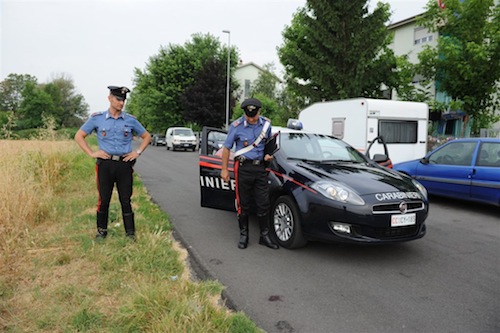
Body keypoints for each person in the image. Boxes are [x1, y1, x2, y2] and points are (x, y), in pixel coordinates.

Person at [74, 86, 151, 240]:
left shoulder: (130, 120)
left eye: (123, 100)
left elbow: (147, 136)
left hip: (124, 164)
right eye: (118, 99)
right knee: (104, 198)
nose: (121, 103)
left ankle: (130, 234)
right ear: (109, 98)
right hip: (105, 164)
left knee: (125, 199)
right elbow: (79, 136)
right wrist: (91, 153)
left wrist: (137, 152)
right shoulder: (97, 118)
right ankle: (101, 232)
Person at [220, 98, 279, 250]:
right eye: (248, 115)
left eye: (254, 115)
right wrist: (224, 169)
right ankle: (244, 235)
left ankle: (264, 236)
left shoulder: (266, 124)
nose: (251, 119)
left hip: (260, 169)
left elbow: (268, 145)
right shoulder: (236, 126)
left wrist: (268, 155)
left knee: (263, 203)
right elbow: (227, 148)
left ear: (259, 112)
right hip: (243, 168)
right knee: (243, 203)